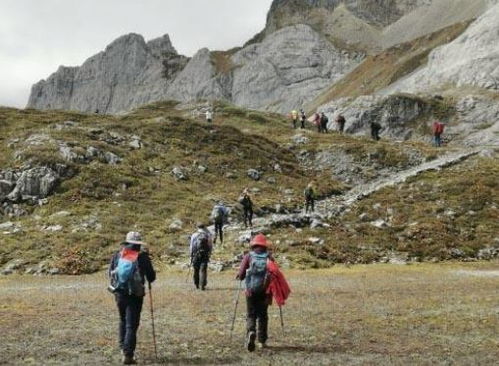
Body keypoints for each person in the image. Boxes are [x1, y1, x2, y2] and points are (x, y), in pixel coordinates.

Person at [109, 232, 156, 365]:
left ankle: (122, 347)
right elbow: (152, 277)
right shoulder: (142, 257)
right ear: (139, 244)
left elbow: (110, 273)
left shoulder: (118, 255)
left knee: (122, 319)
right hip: (135, 295)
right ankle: (128, 355)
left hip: (119, 293)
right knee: (132, 324)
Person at [236, 234, 274, 352]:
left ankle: (251, 332)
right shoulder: (269, 257)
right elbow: (274, 273)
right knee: (263, 315)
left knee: (251, 314)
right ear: (264, 245)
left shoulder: (248, 256)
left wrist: (240, 276)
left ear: (253, 245)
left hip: (250, 290)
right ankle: (262, 341)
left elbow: (242, 273)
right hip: (265, 290)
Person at [189, 223, 213, 290]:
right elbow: (210, 245)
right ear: (204, 227)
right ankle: (203, 285)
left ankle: (196, 284)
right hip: (205, 254)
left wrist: (191, 254)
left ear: (197, 227)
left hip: (196, 254)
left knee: (196, 269)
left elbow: (192, 246)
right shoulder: (207, 235)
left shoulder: (194, 235)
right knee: (203, 270)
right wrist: (209, 253)